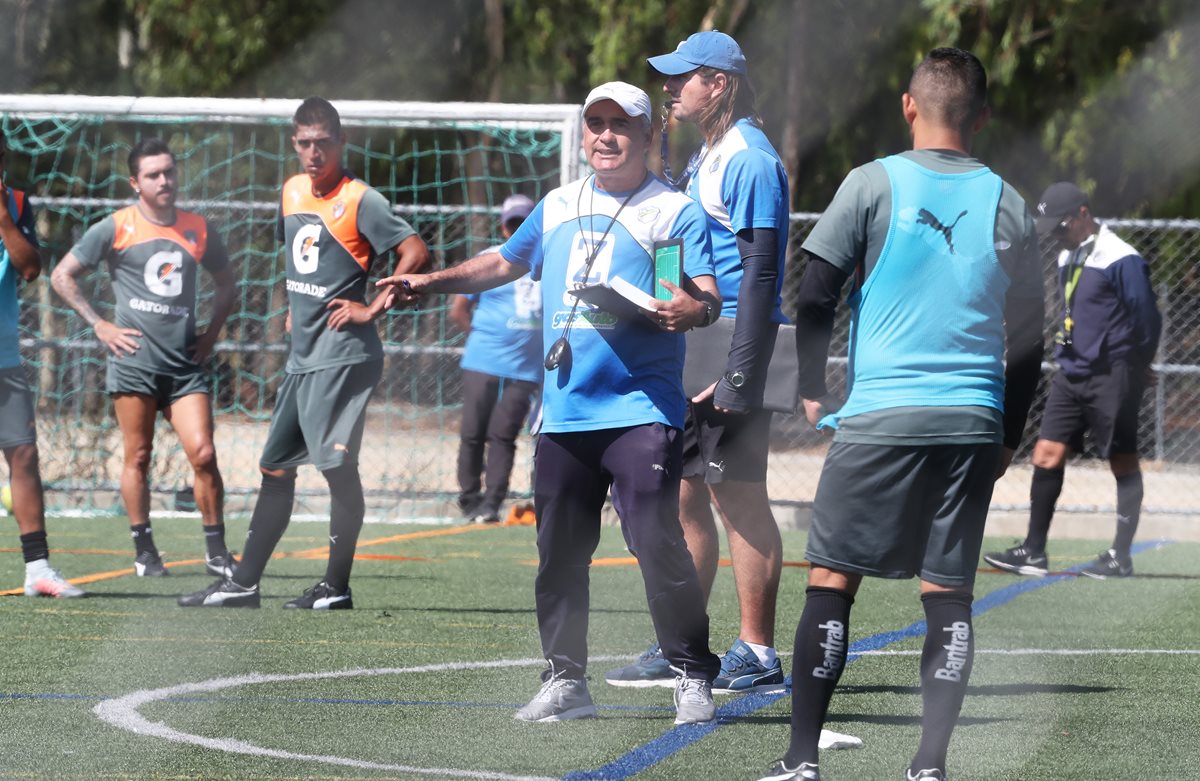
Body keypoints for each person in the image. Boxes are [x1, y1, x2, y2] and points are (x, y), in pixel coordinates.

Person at [381, 82, 723, 724]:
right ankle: (566, 681)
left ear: (648, 135)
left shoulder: (669, 212)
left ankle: (691, 673)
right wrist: (428, 281)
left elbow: (694, 292)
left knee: (656, 543)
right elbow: (502, 264)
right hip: (564, 413)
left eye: (620, 124)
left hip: (639, 409)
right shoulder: (559, 204)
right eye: (596, 123)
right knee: (559, 555)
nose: (605, 136)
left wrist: (694, 308)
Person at [759, 48, 1046, 781]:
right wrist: (1007, 433)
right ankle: (929, 766)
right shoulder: (1011, 203)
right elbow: (1029, 340)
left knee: (831, 581)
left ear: (909, 107)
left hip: (883, 414)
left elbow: (816, 293)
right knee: (948, 595)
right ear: (983, 118)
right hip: (973, 421)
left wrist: (814, 385)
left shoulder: (871, 182)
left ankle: (801, 760)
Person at [179, 96, 431, 609]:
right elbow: (302, 260)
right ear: (294, 144)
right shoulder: (292, 190)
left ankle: (336, 587)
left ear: (341, 143)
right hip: (303, 357)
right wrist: (298, 307)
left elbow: (416, 252)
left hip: (343, 356)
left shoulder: (360, 199)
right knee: (275, 467)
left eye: (323, 143)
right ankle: (243, 584)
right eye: (305, 143)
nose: (314, 153)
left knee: (336, 468)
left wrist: (372, 307)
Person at [606, 30, 789, 694]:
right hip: (691, 346)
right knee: (683, 495)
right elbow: (678, 249)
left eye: (682, 76)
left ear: (719, 84)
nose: (669, 86)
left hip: (731, 347)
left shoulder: (749, 158)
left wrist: (739, 371)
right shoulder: (707, 155)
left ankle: (758, 650)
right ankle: (682, 641)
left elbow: (761, 273)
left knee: (736, 495)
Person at [51, 137, 236, 579]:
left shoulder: (198, 228)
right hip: (133, 363)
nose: (164, 180)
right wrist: (100, 324)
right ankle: (145, 551)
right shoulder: (115, 227)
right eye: (153, 175)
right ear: (135, 182)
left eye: (169, 171)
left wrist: (211, 334)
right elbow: (61, 276)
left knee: (204, 453)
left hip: (184, 367)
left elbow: (227, 283)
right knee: (137, 456)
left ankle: (217, 552)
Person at [984, 182, 1161, 580]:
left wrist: (1139, 363)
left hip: (1112, 375)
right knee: (1046, 453)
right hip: (1071, 373)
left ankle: (1120, 556)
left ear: (1084, 213)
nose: (1057, 235)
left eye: (1061, 226)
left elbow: (1147, 317)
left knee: (1122, 460)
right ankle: (1033, 551)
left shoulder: (1121, 257)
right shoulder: (1068, 254)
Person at [1, 132, 84, 598]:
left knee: (24, 454)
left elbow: (30, 268)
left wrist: (2, 216)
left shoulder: (15, 203)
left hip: (4, 357)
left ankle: (38, 570)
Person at [448, 194, 541, 524]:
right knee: (473, 432)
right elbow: (459, 309)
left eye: (524, 224)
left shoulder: (547, 259)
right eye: (512, 225)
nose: (517, 231)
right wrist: (483, 338)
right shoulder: (489, 259)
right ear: (503, 229)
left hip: (526, 368)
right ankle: (469, 497)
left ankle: (492, 503)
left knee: (504, 434)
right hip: (483, 362)